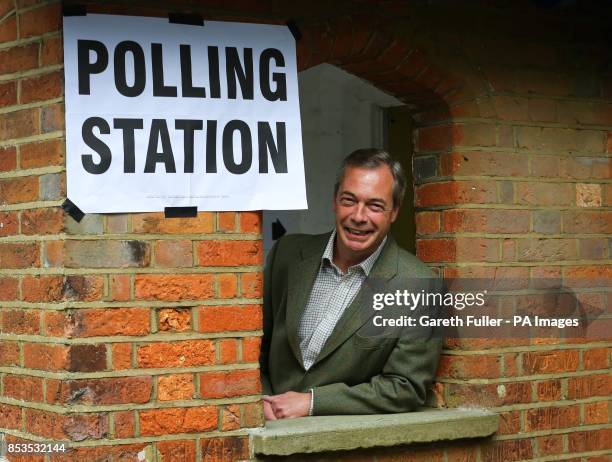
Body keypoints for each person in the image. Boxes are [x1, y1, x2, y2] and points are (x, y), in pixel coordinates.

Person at [260, 148, 442, 419]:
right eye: (349, 200)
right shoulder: (286, 255)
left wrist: (312, 403)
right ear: (334, 201)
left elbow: (405, 387)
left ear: (394, 212)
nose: (358, 215)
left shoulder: (421, 286)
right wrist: (258, 399)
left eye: (375, 206)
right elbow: (252, 346)